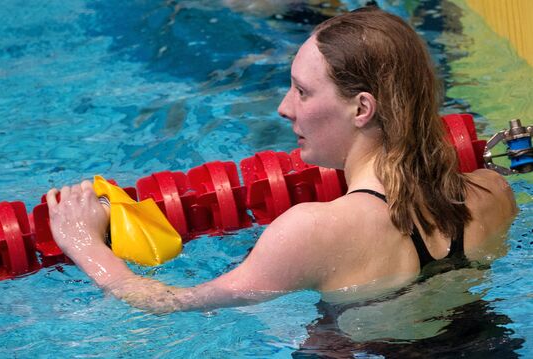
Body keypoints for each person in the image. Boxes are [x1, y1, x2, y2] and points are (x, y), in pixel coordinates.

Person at [46, 7, 517, 314]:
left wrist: (83, 243)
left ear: (362, 108)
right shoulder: (493, 194)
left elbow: (167, 305)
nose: (284, 108)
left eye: (303, 91)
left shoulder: (311, 230)